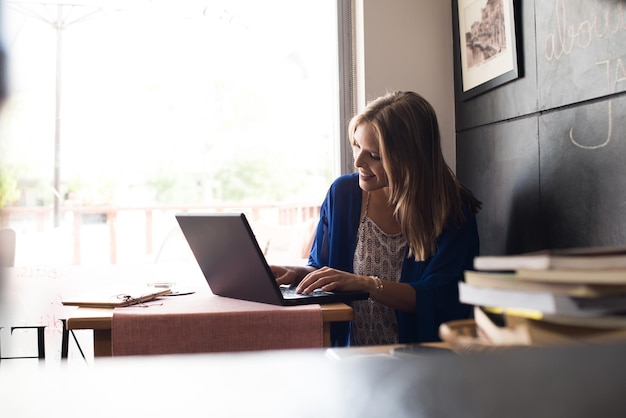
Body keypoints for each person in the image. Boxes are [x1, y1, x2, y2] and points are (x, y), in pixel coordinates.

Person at [271, 91, 481, 346]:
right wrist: (297, 273)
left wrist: (367, 284)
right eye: (357, 146)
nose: (358, 161)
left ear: (411, 158)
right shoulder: (343, 194)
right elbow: (325, 267)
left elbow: (442, 298)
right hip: (350, 359)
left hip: (420, 363)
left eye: (375, 155)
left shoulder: (451, 210)